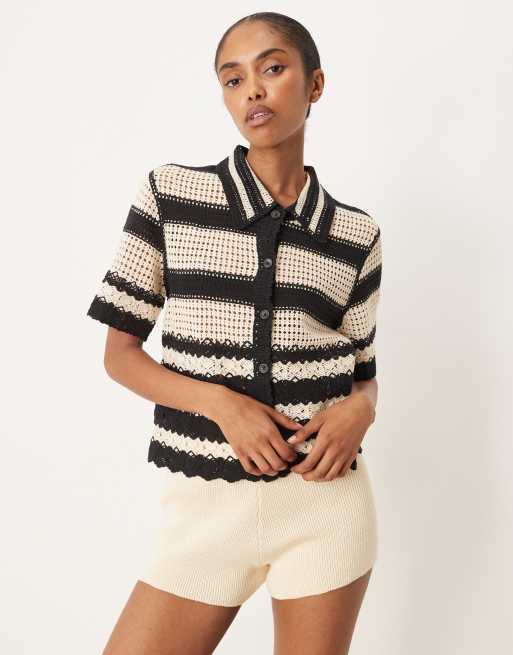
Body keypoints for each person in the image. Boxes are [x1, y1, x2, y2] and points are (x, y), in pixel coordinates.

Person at [88, 11, 383, 655]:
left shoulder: (356, 234)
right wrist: (223, 405)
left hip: (325, 504)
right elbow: (120, 356)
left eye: (272, 68)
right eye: (233, 78)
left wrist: (361, 411)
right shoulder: (170, 196)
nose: (253, 90)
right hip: (204, 507)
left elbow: (363, 374)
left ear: (315, 84)